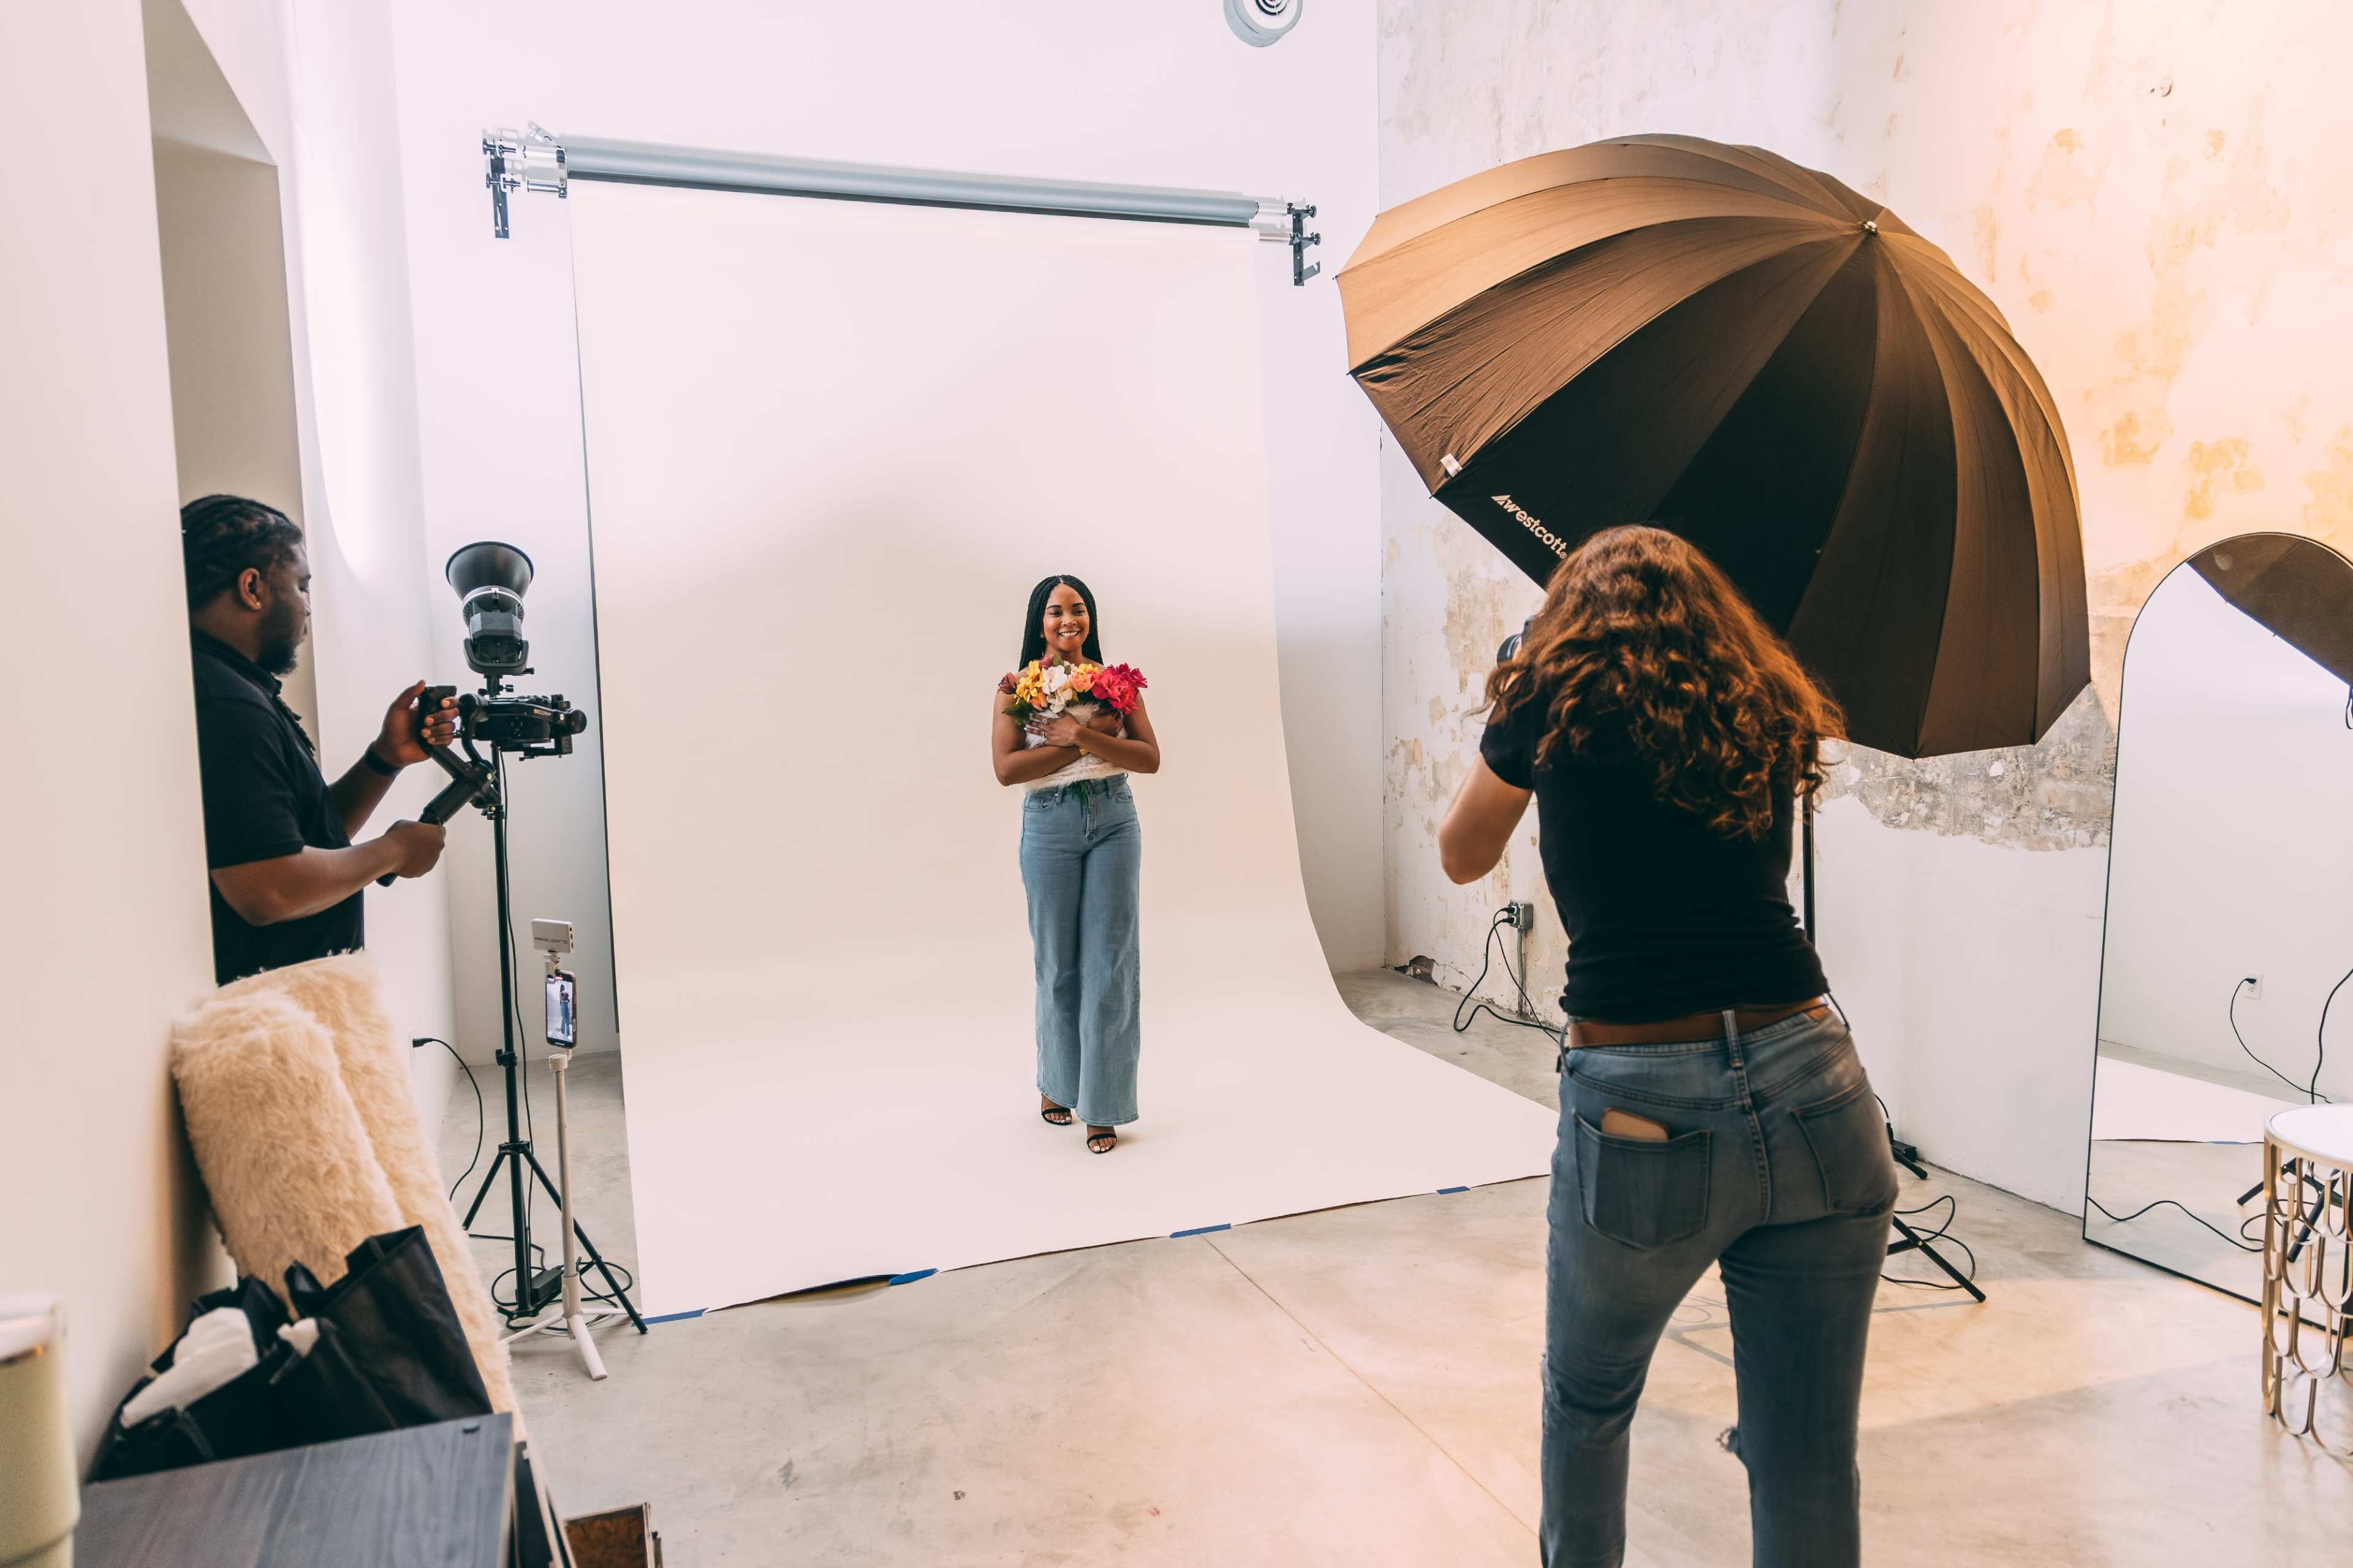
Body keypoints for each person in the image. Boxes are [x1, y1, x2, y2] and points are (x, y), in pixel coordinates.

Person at [1437, 525, 1896, 1568]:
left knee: (1589, 1400)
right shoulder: (1761, 700)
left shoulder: (1548, 699)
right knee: (1808, 1450)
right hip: (1818, 1082)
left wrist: (1523, 685)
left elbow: (1462, 852)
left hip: (1641, 1102)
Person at [181, 494, 459, 985]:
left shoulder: (233, 688)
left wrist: (384, 760)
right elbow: (268, 888)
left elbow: (299, 840)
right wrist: (393, 851)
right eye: (301, 584)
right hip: (274, 1026)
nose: (308, 604)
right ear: (253, 588)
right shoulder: (228, 704)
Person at [989, 575, 1161, 1154]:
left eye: (1079, 609)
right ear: (1039, 620)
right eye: (1056, 610)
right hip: (1050, 823)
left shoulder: (1116, 684)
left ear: (1090, 618)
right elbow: (1009, 769)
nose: (1069, 620)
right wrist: (1084, 740)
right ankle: (1057, 1083)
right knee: (1057, 962)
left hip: (1114, 819)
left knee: (1110, 963)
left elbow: (1150, 758)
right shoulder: (1017, 687)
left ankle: (1104, 1104)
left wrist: (1082, 734)